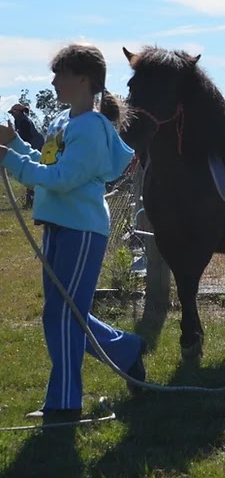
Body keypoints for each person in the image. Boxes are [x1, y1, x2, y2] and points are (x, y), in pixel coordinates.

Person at [0, 43, 146, 423]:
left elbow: (62, 180)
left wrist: (9, 159)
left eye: (59, 74)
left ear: (82, 79)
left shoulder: (92, 129)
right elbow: (47, 163)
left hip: (81, 230)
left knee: (63, 316)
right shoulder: (64, 122)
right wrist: (13, 143)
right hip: (59, 227)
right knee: (66, 312)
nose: (53, 82)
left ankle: (64, 404)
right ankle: (126, 350)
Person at [7, 104, 45, 208]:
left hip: (35, 146)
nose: (12, 115)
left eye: (13, 112)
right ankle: (30, 201)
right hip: (32, 145)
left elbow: (26, 138)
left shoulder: (23, 121)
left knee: (33, 170)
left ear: (18, 111)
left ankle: (31, 201)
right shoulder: (19, 120)